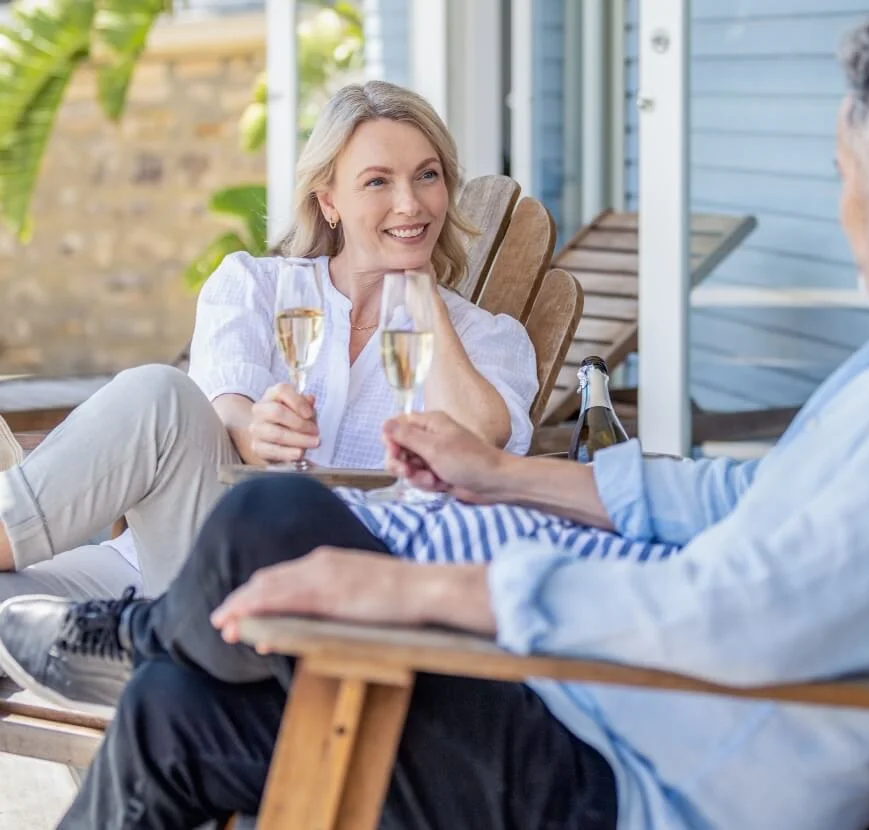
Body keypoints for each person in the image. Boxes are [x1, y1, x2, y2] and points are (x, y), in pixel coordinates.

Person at [0, 8, 869, 829]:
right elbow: (743, 501)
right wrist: (512, 478)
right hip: (620, 710)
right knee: (181, 699)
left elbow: (743, 612)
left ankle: (150, 625)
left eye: (847, 178)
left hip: (635, 758)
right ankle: (156, 631)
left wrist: (414, 586)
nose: (850, 206)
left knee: (260, 547)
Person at [0, 80, 538, 602]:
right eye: (378, 182)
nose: (410, 204)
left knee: (158, 395)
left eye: (427, 176)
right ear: (329, 202)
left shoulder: (486, 338)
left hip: (295, 586)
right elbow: (218, 412)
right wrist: (260, 433)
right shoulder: (257, 286)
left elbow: (480, 441)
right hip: (155, 560)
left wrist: (422, 296)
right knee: (158, 397)